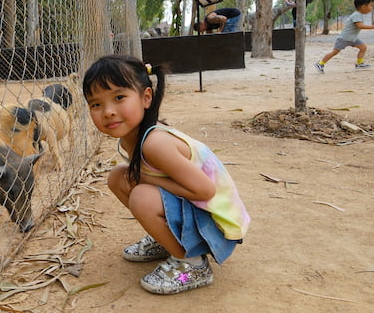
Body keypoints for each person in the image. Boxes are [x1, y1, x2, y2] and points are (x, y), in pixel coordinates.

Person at [82, 55, 250, 294]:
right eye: (95, 104)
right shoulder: (132, 137)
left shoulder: (155, 143)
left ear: (146, 98)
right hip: (200, 211)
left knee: (141, 195)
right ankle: (169, 241)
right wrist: (139, 175)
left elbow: (205, 190)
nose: (108, 112)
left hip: (219, 224)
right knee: (118, 176)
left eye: (119, 97)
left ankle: (193, 264)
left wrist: (144, 177)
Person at [314, 0, 374, 73]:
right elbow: (359, 26)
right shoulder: (357, 15)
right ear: (363, 7)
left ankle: (360, 63)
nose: (371, 8)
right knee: (334, 52)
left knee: (363, 48)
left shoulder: (359, 15)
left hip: (352, 38)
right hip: (344, 38)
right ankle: (320, 63)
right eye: (371, 6)